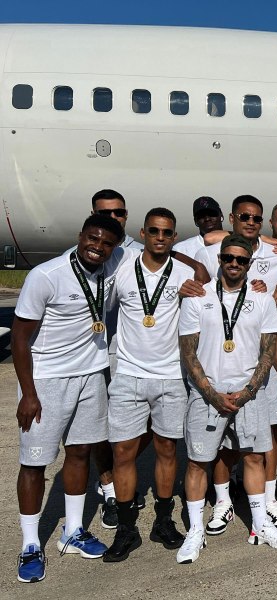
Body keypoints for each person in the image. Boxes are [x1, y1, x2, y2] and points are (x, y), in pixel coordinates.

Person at [14, 214, 125, 583]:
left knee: (79, 452)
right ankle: (31, 544)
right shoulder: (46, 276)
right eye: (92, 239)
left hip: (91, 375)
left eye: (106, 243)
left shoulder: (109, 269)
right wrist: (28, 393)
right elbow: (19, 339)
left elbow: (161, 252)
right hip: (47, 381)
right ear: (80, 236)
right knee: (35, 463)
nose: (98, 247)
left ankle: (72, 531)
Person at [177, 235, 277, 564]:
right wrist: (212, 394)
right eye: (228, 257)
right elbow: (188, 351)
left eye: (241, 260)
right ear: (220, 259)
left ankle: (260, 525)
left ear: (249, 264)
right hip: (207, 394)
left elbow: (268, 351)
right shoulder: (197, 298)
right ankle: (195, 531)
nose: (234, 263)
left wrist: (247, 392)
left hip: (250, 393)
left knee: (255, 458)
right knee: (199, 462)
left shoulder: (262, 299)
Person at [196, 195, 277, 534]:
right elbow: (206, 245)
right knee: (219, 441)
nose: (249, 221)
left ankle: (269, 500)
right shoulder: (212, 249)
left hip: (261, 365)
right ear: (232, 218)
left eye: (255, 219)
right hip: (218, 365)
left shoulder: (276, 253)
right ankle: (224, 502)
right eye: (243, 216)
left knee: (266, 436)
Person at [102, 208, 195, 562]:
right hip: (128, 373)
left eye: (167, 232)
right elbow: (99, 309)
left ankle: (163, 520)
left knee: (167, 450)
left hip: (171, 374)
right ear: (142, 233)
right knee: (123, 452)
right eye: (154, 231)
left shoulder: (186, 274)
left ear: (174, 236)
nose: (160, 237)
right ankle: (127, 529)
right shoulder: (121, 269)